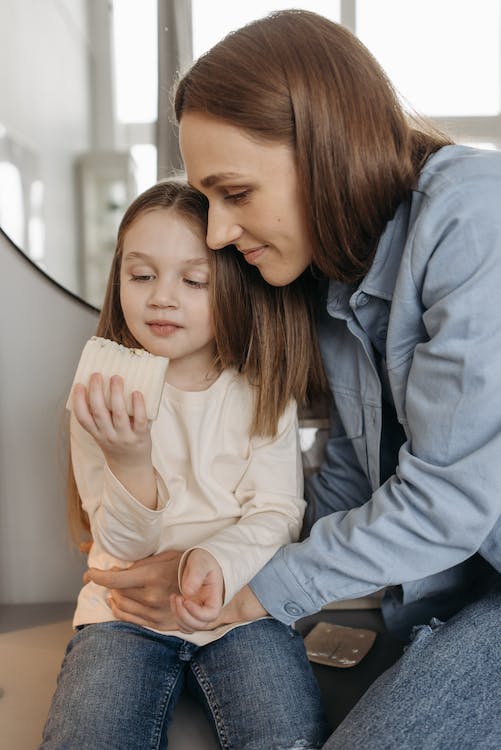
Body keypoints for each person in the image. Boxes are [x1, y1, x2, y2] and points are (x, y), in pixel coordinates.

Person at [86, 10, 501, 750]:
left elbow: (448, 500)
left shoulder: (475, 217)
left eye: (235, 194)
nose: (215, 234)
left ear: (328, 154)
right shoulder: (335, 291)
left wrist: (257, 592)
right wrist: (212, 565)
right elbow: (347, 475)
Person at [40, 180, 330, 750]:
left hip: (240, 608)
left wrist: (214, 563)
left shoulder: (261, 393)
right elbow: (121, 546)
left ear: (235, 289)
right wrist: (130, 457)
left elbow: (277, 514)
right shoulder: (101, 397)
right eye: (141, 275)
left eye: (193, 280)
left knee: (285, 736)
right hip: (124, 610)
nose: (161, 298)